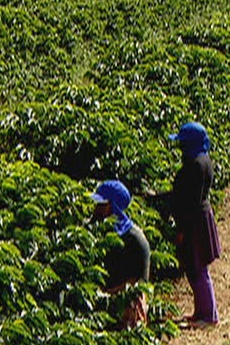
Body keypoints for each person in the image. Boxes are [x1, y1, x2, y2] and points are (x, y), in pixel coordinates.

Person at [163, 120, 221, 326]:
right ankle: (201, 312)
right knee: (196, 267)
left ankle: (208, 315)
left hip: (195, 221)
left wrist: (182, 230)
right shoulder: (203, 160)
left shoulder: (195, 166)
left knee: (198, 268)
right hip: (200, 217)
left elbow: (189, 202)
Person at [91, 179, 150, 327]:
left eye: (101, 204)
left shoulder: (134, 240)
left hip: (126, 304)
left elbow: (137, 284)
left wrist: (105, 295)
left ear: (113, 206)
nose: (96, 208)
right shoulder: (102, 230)